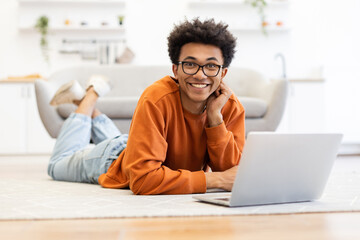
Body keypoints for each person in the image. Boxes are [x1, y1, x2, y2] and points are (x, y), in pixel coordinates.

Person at [48, 18, 245, 195]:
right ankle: (90, 96)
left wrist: (215, 118)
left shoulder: (228, 105)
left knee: (126, 144)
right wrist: (214, 179)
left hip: (140, 147)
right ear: (175, 70)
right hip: (113, 159)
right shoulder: (156, 98)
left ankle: (81, 100)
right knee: (56, 166)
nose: (201, 75)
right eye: (190, 64)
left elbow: (234, 174)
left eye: (211, 66)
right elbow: (143, 180)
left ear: (223, 73)